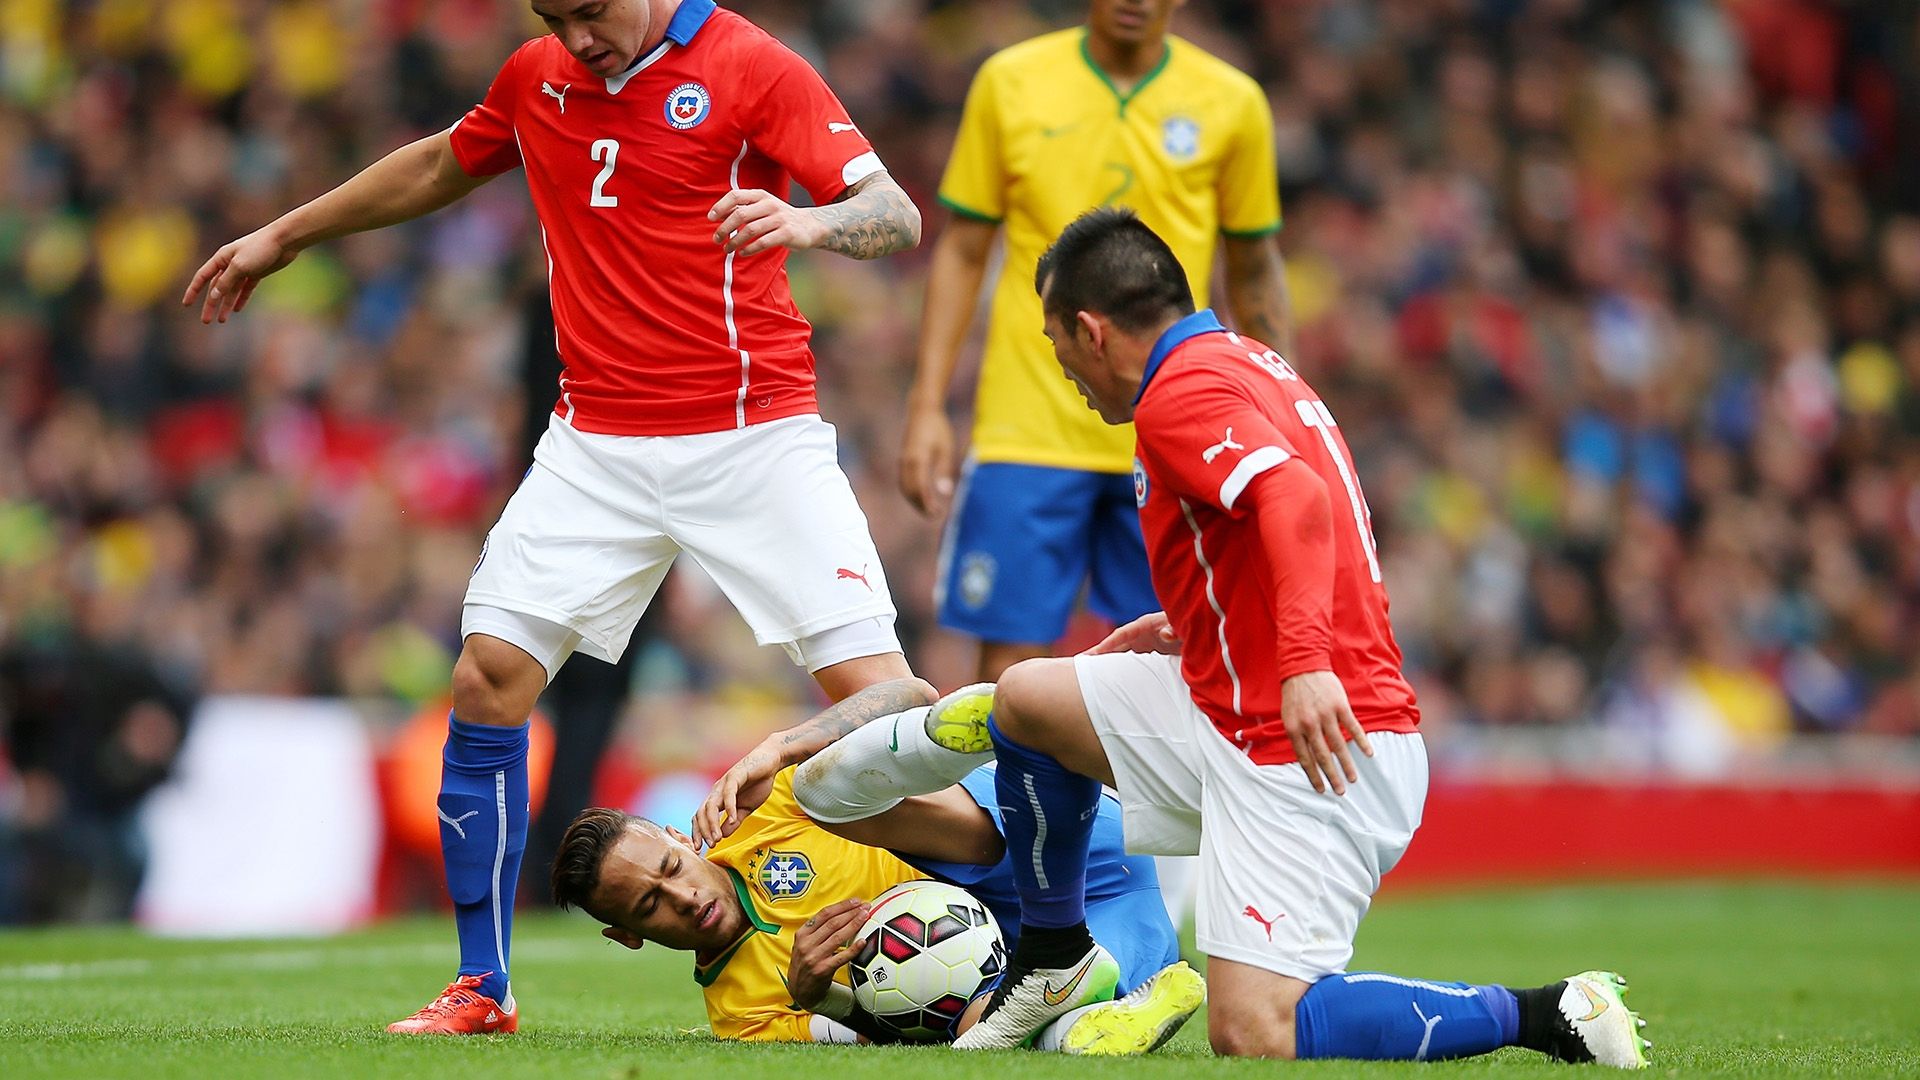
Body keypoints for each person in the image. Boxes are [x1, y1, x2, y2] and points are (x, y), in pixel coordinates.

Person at [182, 0, 925, 1035]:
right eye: (553, 15)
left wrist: (807, 222)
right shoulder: (537, 76)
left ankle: (1031, 924)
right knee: (486, 677)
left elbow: (894, 212)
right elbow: (443, 163)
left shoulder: (752, 66)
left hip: (753, 434)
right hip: (597, 443)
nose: (576, 36)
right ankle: (483, 987)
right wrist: (284, 232)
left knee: (888, 709)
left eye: (589, 11)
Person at [940, 209, 1652, 1068]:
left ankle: (1553, 1013)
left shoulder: (1178, 395)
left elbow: (1296, 502)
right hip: (1233, 707)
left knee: (1255, 1030)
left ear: (1093, 332)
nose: (1067, 377)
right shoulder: (1241, 361)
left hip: (1308, 741)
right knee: (1027, 701)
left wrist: (1307, 665)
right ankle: (1054, 961)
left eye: (1058, 350)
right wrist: (1201, 619)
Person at [901, 0, 1291, 683]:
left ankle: (1131, 798)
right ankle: (1008, 795)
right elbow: (963, 251)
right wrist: (927, 403)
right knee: (1008, 672)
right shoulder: (1010, 82)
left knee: (1166, 665)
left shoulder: (1232, 104)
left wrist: (1278, 418)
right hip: (1025, 430)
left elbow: (1254, 272)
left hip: (1171, 434)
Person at [551, 685, 1203, 1053]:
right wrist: (821, 997)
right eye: (649, 907)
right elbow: (886, 1048)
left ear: (678, 837)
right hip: (1075, 936)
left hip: (1037, 828)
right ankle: (1108, 1018)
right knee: (974, 1030)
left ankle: (937, 744)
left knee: (813, 790)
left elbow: (909, 691)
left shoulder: (758, 810)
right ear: (629, 936)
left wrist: (779, 747)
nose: (682, 897)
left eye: (670, 867)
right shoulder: (742, 1015)